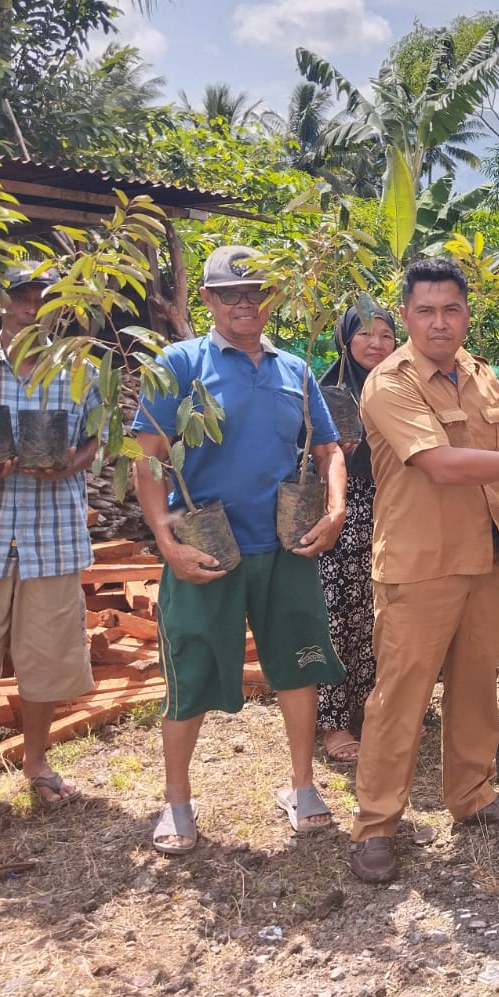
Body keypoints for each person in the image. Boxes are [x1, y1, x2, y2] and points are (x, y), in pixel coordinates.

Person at [348, 257, 499, 885]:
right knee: (400, 698)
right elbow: (439, 463)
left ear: (466, 314)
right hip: (419, 564)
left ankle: (473, 794)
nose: (440, 322)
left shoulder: (482, 377)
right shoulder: (389, 383)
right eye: (426, 310)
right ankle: (377, 824)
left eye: (451, 309)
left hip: (482, 558)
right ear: (405, 315)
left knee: (474, 684)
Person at [131, 246, 348, 854]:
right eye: (230, 293)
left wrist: (334, 511)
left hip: (286, 546)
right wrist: (165, 539)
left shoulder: (295, 371)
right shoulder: (178, 366)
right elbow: (146, 459)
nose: (244, 302)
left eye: (254, 291)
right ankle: (177, 801)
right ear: (206, 300)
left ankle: (302, 785)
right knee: (192, 671)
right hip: (205, 548)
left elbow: (328, 450)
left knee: (299, 665)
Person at [0, 263, 98, 825]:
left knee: (47, 656)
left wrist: (67, 466)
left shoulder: (81, 372)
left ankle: (36, 762)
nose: (32, 306)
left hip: (51, 533)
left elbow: (94, 442)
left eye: (44, 297)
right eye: (21, 296)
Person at [316, 305, 399, 763]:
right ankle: (332, 724)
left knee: (381, 610)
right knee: (338, 613)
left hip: (396, 508)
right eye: (365, 334)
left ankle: (373, 707)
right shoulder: (327, 392)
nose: (376, 343)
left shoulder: (403, 389)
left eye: (386, 335)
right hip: (343, 509)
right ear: (344, 341)